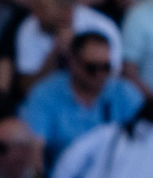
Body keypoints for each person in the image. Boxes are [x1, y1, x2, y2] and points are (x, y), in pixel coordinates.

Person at [21, 30, 139, 160]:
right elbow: (33, 149)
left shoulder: (124, 93)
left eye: (106, 67)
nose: (100, 74)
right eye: (92, 68)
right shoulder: (46, 94)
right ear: (73, 62)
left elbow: (145, 140)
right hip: (64, 170)